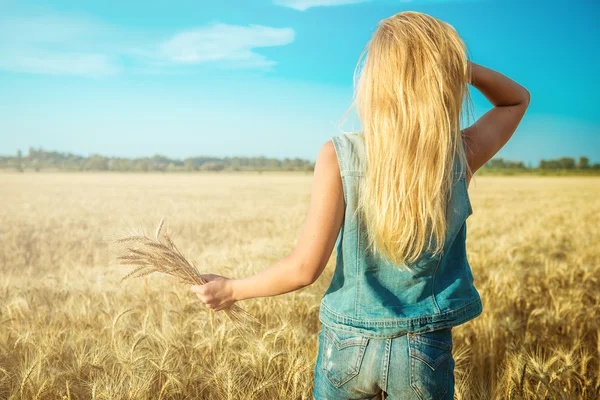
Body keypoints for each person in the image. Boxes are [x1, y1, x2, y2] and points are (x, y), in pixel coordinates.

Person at [191, 10, 530, 400]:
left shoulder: (338, 155)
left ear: (375, 81)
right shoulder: (458, 155)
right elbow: (516, 100)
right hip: (423, 350)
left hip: (346, 347)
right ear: (442, 79)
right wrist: (456, 65)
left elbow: (304, 269)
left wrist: (230, 290)